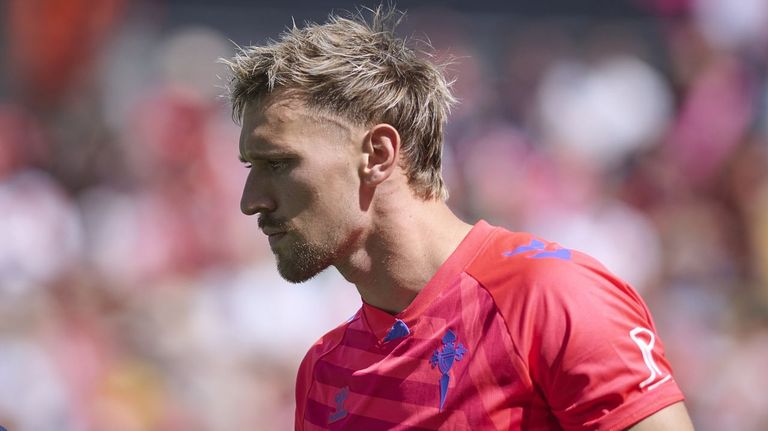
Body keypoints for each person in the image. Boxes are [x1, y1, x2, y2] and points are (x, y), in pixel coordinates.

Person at [222, 6, 694, 430]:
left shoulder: (550, 298)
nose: (250, 201)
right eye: (250, 168)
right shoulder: (325, 371)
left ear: (378, 154)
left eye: (278, 164)